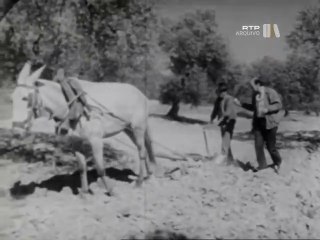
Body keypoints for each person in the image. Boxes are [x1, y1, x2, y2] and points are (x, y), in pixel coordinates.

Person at [234, 77, 283, 173]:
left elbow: (278, 105)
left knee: (271, 147)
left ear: (258, 84)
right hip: (258, 123)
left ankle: (278, 162)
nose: (251, 88)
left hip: (270, 123)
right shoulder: (255, 95)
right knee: (258, 145)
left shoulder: (270, 92)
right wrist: (241, 104)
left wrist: (267, 109)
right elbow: (253, 107)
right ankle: (262, 165)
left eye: (252, 86)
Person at [210, 82, 237, 165]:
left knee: (226, 139)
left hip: (229, 121)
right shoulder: (218, 99)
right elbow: (215, 110)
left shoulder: (229, 99)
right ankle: (230, 159)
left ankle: (222, 159)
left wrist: (220, 119)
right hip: (222, 122)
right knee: (225, 140)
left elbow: (228, 112)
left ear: (224, 91)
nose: (220, 94)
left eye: (221, 92)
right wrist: (212, 119)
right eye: (218, 92)